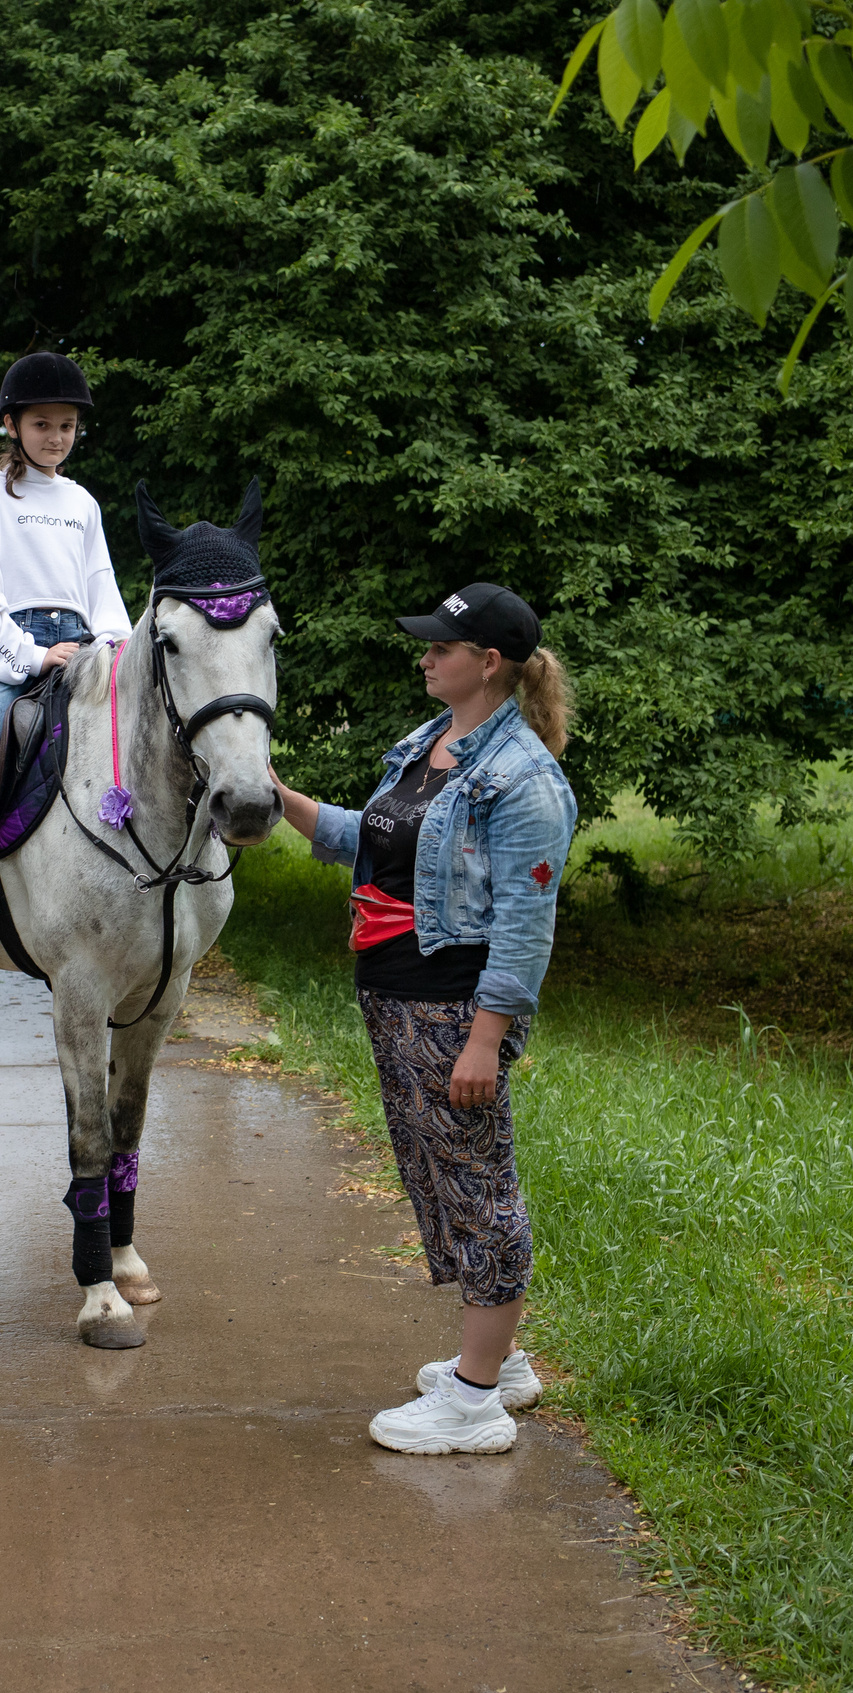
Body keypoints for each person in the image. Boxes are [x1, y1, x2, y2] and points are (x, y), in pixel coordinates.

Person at [273, 583, 576, 1454]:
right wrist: (278, 796)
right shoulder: (428, 747)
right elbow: (364, 838)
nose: (425, 654)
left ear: (488, 663)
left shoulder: (524, 780)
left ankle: (475, 1401)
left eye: (443, 646)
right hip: (397, 993)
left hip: (454, 1007)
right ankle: (502, 1361)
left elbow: (526, 926)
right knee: (436, 1170)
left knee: (478, 1186)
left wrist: (486, 1037)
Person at [0, 351, 132, 960]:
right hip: (10, 645)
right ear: (12, 426)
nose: (56, 437)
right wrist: (33, 655)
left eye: (66, 425)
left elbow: (102, 586)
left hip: (81, 644)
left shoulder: (83, 504)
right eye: (42, 424)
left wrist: (118, 653)